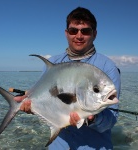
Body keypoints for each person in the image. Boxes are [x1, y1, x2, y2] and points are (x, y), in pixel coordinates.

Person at [15, 7, 121, 150]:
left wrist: (93, 119)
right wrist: (31, 105)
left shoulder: (108, 67)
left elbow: (112, 119)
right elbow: (47, 98)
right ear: (66, 33)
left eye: (85, 31)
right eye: (73, 30)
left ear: (94, 34)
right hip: (58, 145)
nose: (79, 36)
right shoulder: (53, 63)